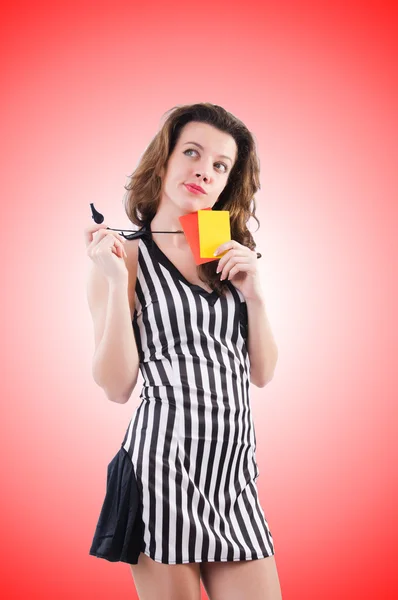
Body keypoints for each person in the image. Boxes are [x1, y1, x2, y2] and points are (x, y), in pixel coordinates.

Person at [85, 103, 282, 600]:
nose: (204, 170)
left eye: (220, 165)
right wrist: (113, 285)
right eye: (191, 152)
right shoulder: (123, 254)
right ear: (164, 160)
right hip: (162, 469)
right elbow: (116, 386)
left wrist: (256, 295)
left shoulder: (224, 251)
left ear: (227, 182)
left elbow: (261, 373)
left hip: (233, 473)